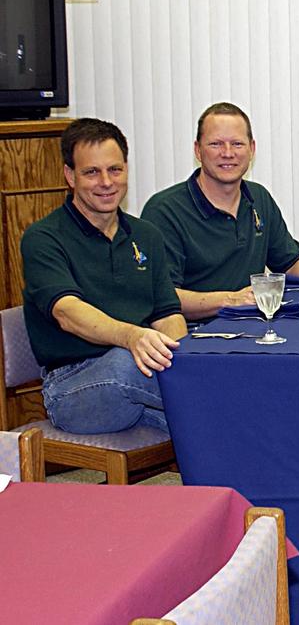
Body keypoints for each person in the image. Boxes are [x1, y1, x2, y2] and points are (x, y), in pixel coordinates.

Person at [21, 118, 187, 434]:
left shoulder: (146, 235)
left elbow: (167, 315)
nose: (106, 182)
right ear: (70, 176)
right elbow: (68, 313)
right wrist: (132, 337)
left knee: (209, 427)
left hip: (139, 380)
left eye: (115, 169)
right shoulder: (43, 238)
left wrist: (190, 362)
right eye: (91, 172)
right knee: (130, 364)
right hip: (72, 387)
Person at [141, 102, 299, 320]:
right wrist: (230, 300)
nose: (228, 153)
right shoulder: (165, 211)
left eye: (237, 144)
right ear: (197, 150)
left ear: (252, 149)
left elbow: (290, 262)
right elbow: (161, 297)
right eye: (215, 144)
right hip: (194, 336)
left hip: (250, 324)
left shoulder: (259, 198)